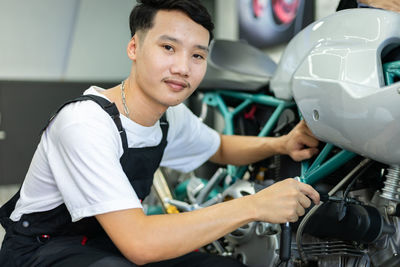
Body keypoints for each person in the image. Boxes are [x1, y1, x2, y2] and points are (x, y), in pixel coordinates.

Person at [0, 0, 321, 266]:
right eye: (169, 47)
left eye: (197, 55)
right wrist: (255, 206)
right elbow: (140, 243)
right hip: (40, 251)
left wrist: (282, 144)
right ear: (134, 47)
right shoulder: (84, 124)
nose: (183, 67)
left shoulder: (171, 116)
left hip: (108, 240)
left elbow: (219, 147)